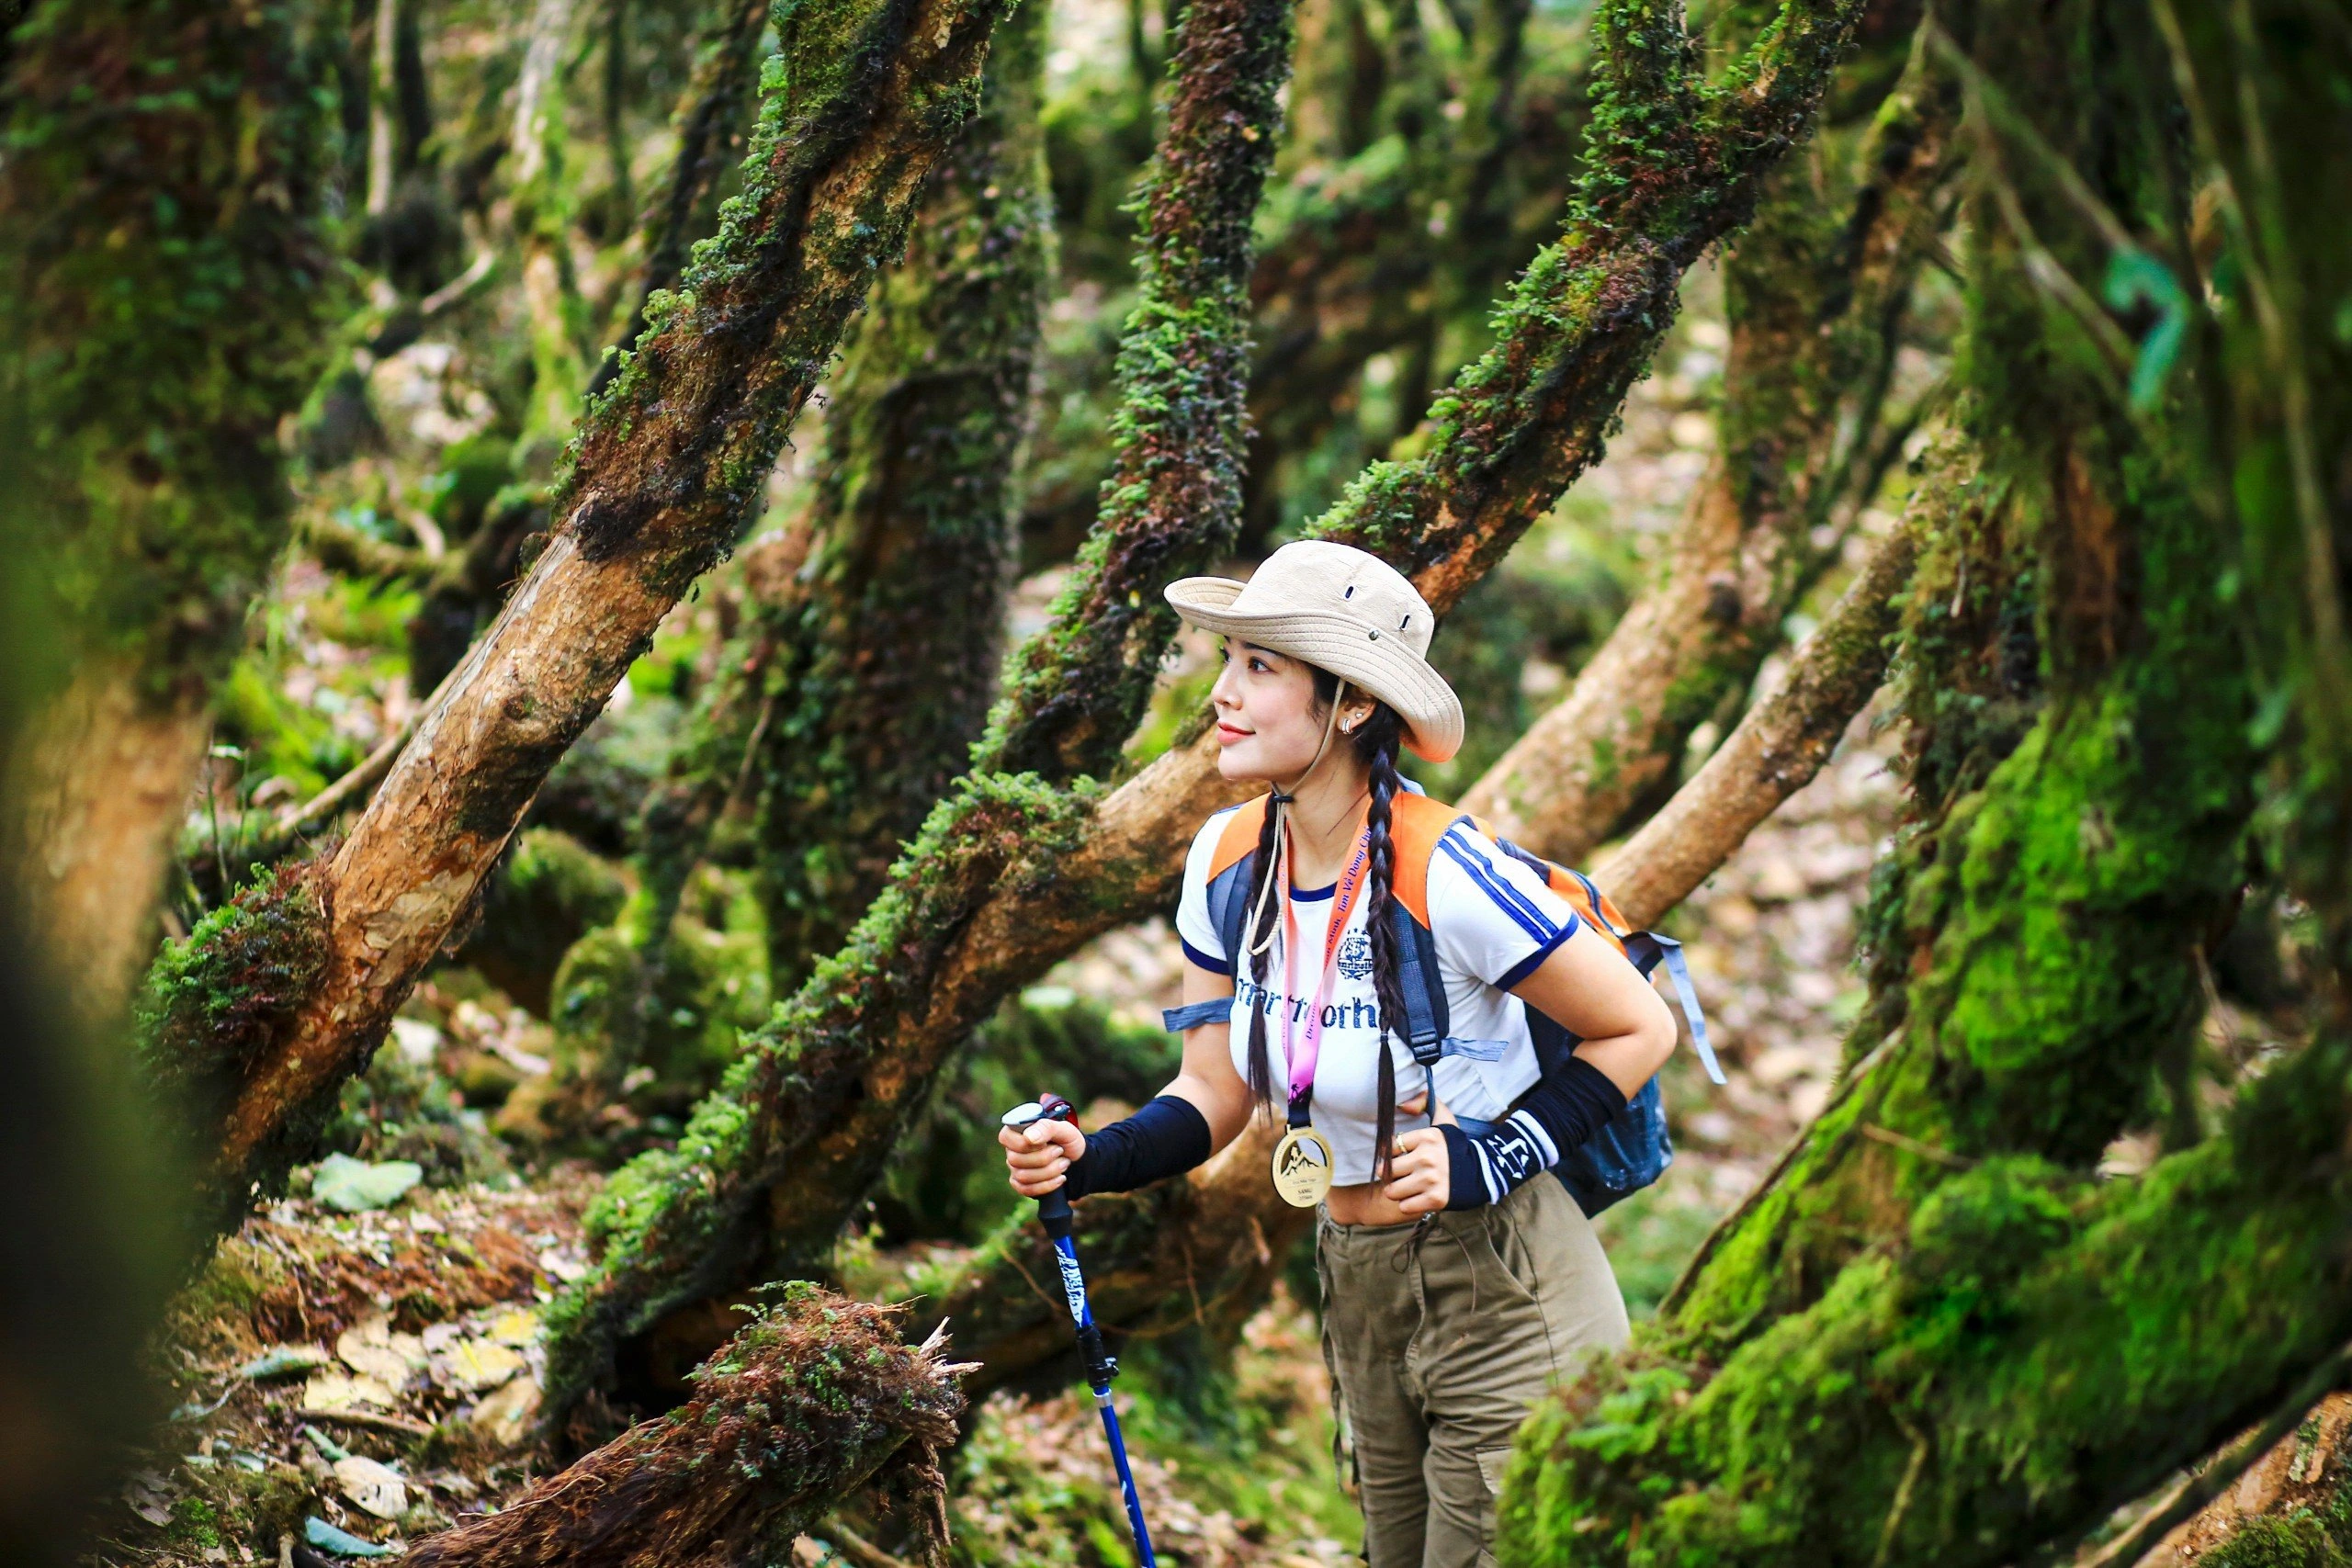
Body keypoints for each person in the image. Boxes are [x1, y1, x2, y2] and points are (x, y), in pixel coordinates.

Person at [1000, 539, 1679, 1568]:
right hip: (1352, 1276)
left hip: (1502, 1276)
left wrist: (1495, 1151)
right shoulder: (1227, 860)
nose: (1221, 693)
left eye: (1260, 668)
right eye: (1229, 660)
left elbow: (1638, 1026)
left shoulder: (1443, 868)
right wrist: (1092, 1160)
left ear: (1353, 705)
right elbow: (1213, 1090)